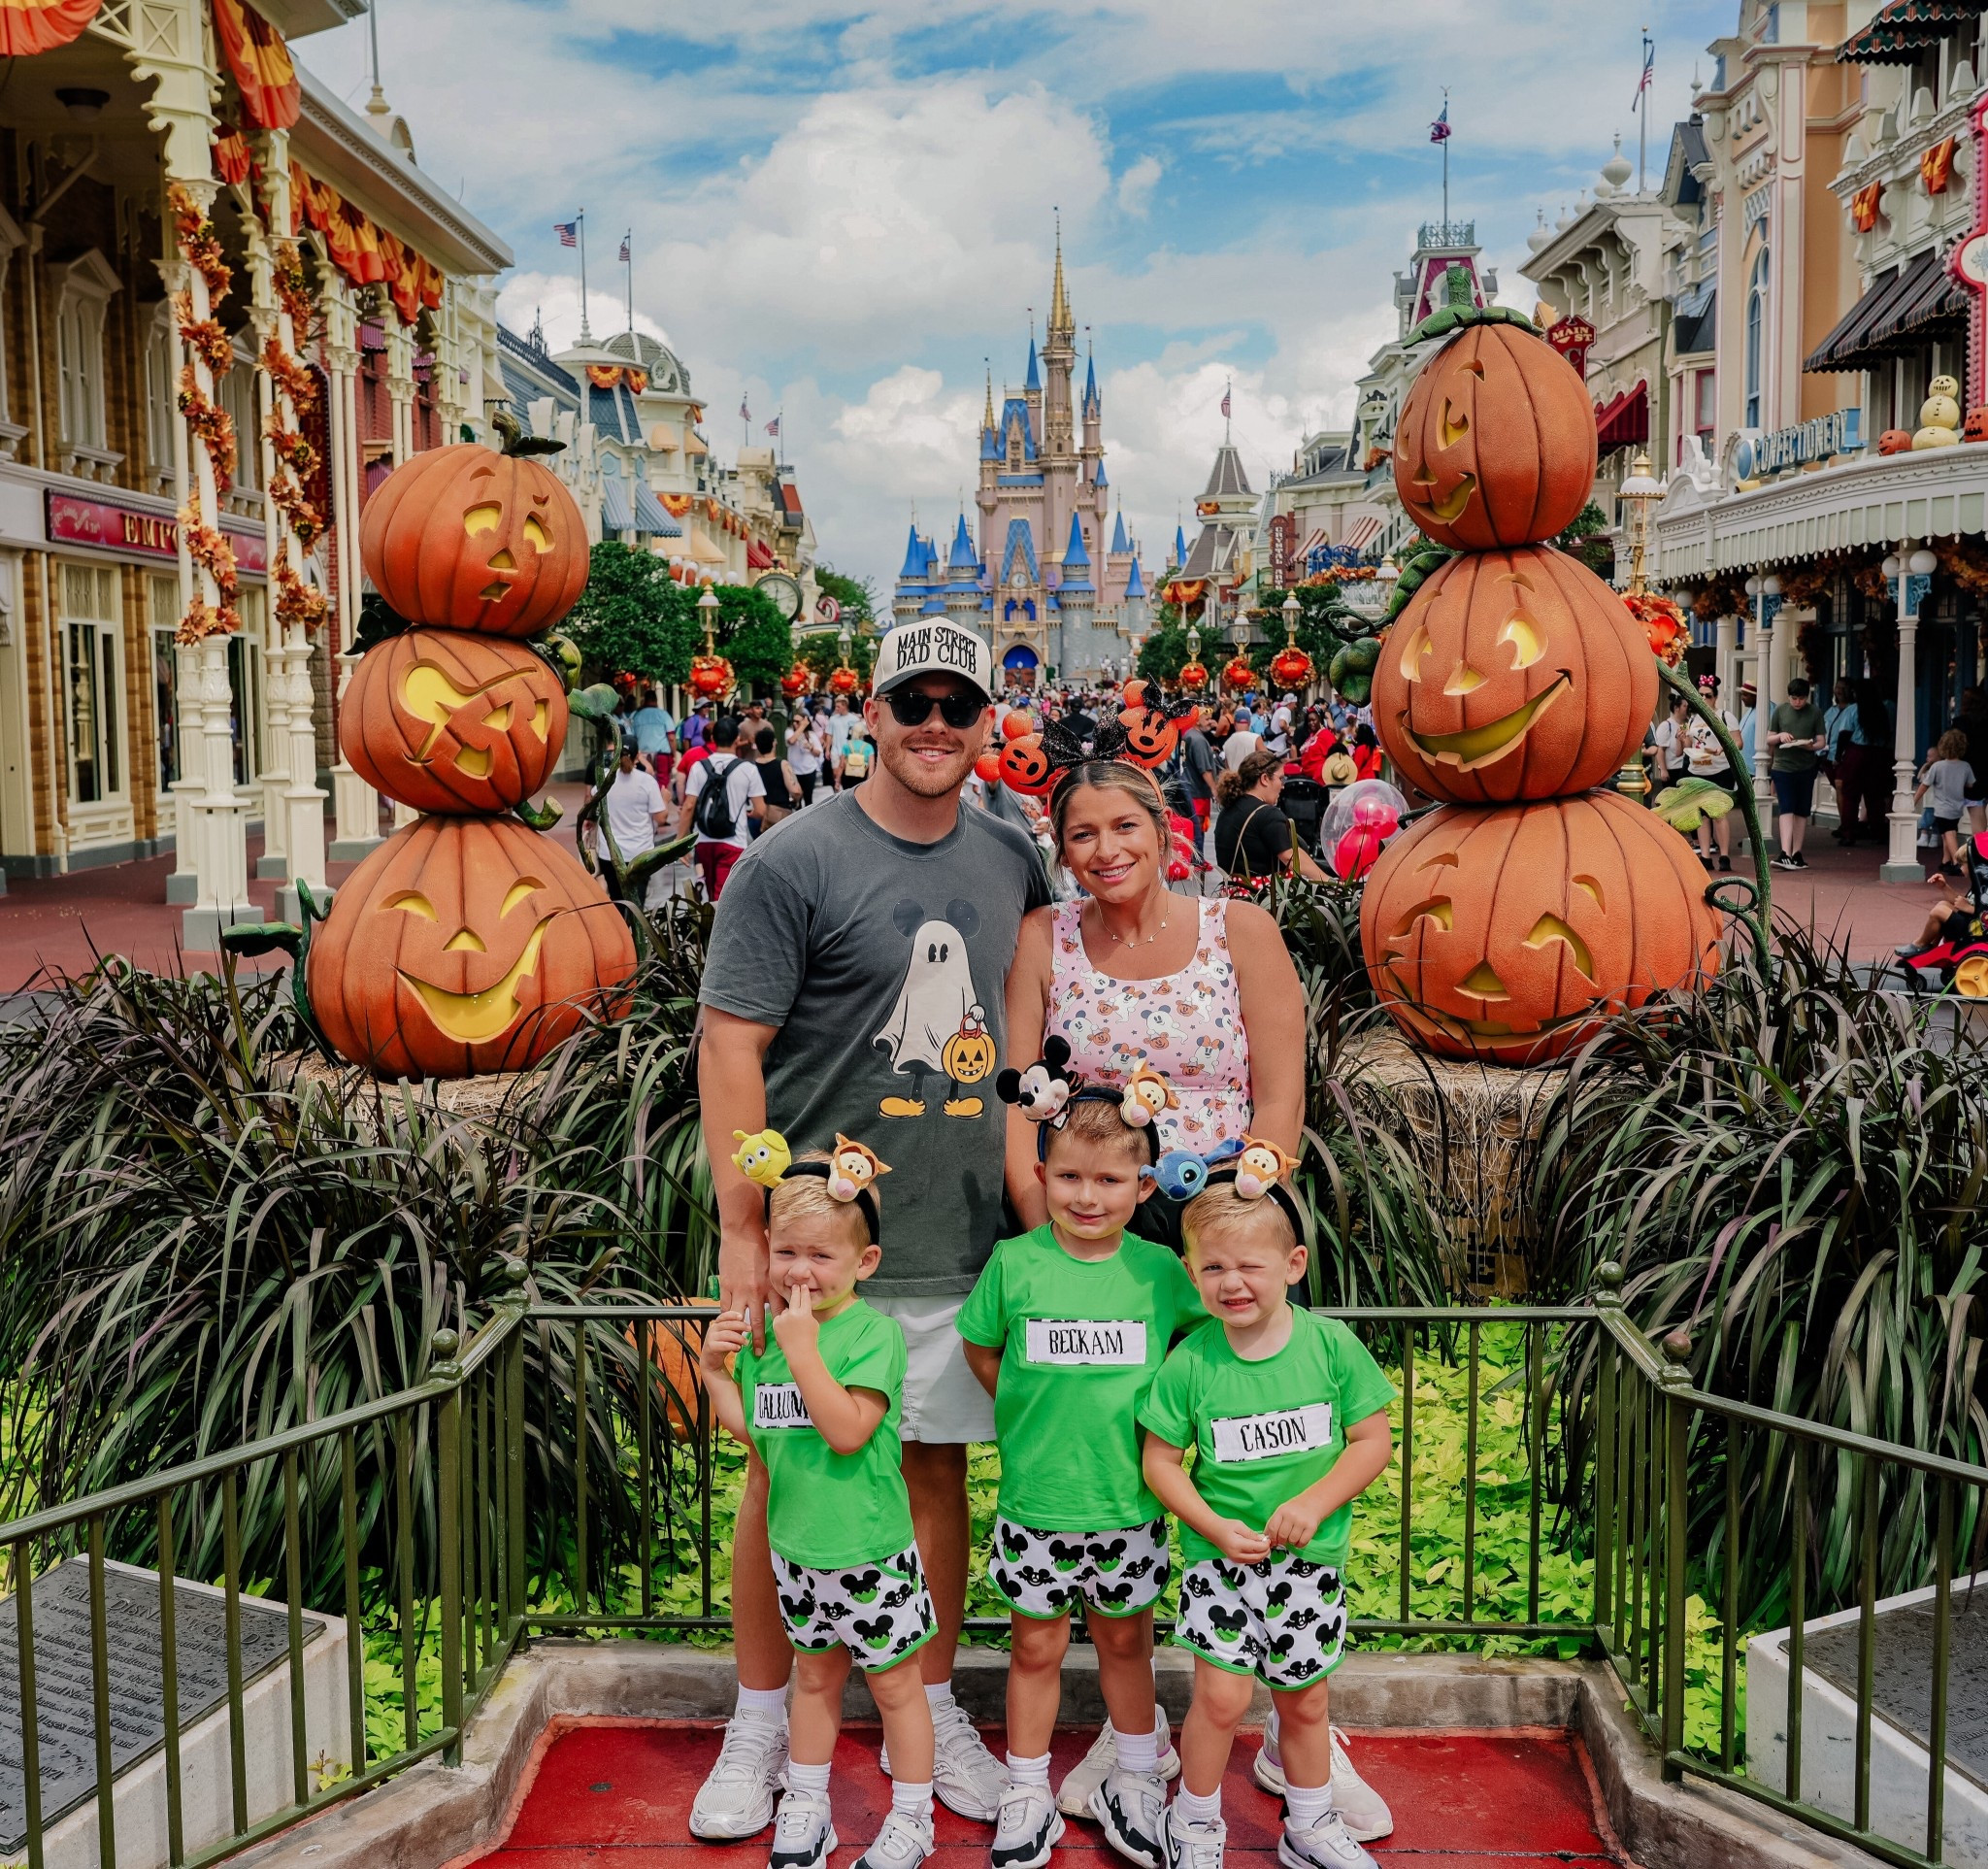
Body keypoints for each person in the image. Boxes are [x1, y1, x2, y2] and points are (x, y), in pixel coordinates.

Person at [692, 617, 1048, 1839]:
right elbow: (730, 1044)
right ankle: (757, 1716)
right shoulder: (792, 859)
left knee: (933, 1465)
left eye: (958, 702)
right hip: (816, 1246)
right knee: (776, 1473)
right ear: (872, 714)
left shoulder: (1010, 857)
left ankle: (933, 1699)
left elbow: (1018, 1038)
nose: (935, 722)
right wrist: (744, 1232)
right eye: (913, 701)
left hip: (954, 1227)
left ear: (986, 717)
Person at [959, 1092, 1203, 1864]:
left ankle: (1135, 1777)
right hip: (1037, 1501)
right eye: (1068, 1177)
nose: (1087, 1197)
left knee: (1126, 1643)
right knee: (1034, 1648)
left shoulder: (1161, 1273)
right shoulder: (1015, 1261)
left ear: (1145, 1186)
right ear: (1041, 1174)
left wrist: (1170, 1418)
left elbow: (1203, 1350)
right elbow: (981, 1346)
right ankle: (1027, 1788)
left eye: (1107, 1180)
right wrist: (1024, 1405)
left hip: (1128, 1503)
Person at [1140, 1177, 1397, 1869]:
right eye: (1213, 1267)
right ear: (1191, 1273)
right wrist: (1211, 1524)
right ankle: (1192, 1822)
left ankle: (1308, 1825)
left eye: (1249, 1265)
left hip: (1309, 1565)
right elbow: (1161, 1462)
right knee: (1219, 1700)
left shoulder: (1331, 1346)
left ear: (1293, 1265)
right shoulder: (1191, 1362)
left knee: (1305, 1702)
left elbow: (1372, 1439)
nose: (1232, 1282)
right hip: (1222, 1562)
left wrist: (1314, 1502)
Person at [698, 1151, 940, 1869]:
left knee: (897, 1686)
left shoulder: (871, 1335)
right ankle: (806, 1803)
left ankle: (913, 1816)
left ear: (864, 1261)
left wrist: (803, 1353)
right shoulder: (766, 1344)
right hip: (798, 1553)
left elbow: (845, 1429)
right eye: (787, 1251)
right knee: (812, 1678)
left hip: (869, 1551)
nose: (801, 1270)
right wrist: (716, 1372)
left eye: (822, 1255)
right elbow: (764, 1436)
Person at [679, 714, 767, 901]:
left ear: (712, 738)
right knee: (724, 898)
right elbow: (761, 810)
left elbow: (688, 806)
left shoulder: (698, 767)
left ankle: (710, 926)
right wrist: (747, 813)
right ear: (737, 739)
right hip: (733, 841)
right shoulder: (748, 769)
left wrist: (680, 842)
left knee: (712, 894)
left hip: (703, 840)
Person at [1213, 750, 1331, 887]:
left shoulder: (1229, 809)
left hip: (1232, 894)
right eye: (1280, 778)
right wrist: (1329, 882)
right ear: (1264, 779)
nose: (1283, 786)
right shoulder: (1266, 814)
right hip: (1260, 900)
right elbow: (1290, 857)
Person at [594, 743, 668, 905]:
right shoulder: (647, 782)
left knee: (617, 900)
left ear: (614, 755)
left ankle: (619, 930)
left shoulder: (603, 780)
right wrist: (666, 800)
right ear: (636, 757)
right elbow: (661, 818)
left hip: (610, 854)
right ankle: (635, 930)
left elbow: (593, 808)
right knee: (637, 904)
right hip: (640, 854)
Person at [1767, 676, 1827, 871]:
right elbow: (1769, 739)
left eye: (1801, 698)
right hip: (1783, 766)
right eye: (1794, 698)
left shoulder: (1815, 712)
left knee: (1801, 810)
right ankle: (1785, 851)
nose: (1797, 702)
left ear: (1806, 697)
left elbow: (1821, 741)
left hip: (1806, 766)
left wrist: (1811, 746)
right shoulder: (1780, 711)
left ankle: (1797, 852)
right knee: (1787, 807)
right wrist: (1780, 736)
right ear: (1789, 697)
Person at [1684, 676, 1740, 873]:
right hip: (1697, 769)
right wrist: (1683, 740)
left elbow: (1738, 742)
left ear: (1715, 697)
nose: (1703, 698)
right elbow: (1689, 746)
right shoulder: (1693, 718)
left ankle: (1724, 856)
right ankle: (1705, 856)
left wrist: (1723, 749)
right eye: (1699, 695)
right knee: (1701, 815)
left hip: (1719, 769)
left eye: (1707, 695)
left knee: (1719, 814)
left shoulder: (1725, 716)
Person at [1915, 728, 1977, 875]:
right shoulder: (1965, 766)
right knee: (1947, 833)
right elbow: (1970, 784)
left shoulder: (1938, 766)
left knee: (1949, 834)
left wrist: (1914, 800)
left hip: (1942, 807)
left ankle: (1958, 862)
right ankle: (1945, 861)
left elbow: (1924, 786)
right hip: (1957, 806)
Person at [753, 724, 802, 829]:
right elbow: (795, 791)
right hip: (778, 817)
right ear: (774, 743)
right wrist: (796, 801)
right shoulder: (782, 764)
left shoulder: (752, 767)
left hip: (757, 816)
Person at [629, 685, 677, 785]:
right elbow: (671, 737)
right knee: (662, 783)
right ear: (656, 700)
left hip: (643, 755)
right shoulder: (663, 715)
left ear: (645, 700)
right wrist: (674, 754)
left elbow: (633, 737)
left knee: (644, 782)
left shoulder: (638, 716)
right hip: (662, 755)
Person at [1651, 690, 1692, 799]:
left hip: (1683, 767)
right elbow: (1660, 750)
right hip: (1671, 769)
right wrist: (1663, 770)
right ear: (1676, 708)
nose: (1687, 708)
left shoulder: (1685, 725)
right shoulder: (1666, 725)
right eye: (1685, 706)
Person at [788, 707, 826, 806]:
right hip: (795, 771)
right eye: (793, 721)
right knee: (797, 799)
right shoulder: (789, 732)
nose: (794, 723)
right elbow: (791, 741)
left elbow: (818, 753)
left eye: (797, 721)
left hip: (809, 770)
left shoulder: (811, 735)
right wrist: (802, 726)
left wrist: (810, 748)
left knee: (808, 799)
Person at [1222, 709, 1261, 773]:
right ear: (1249, 723)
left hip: (1235, 780)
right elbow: (1266, 760)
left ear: (1234, 723)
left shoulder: (1227, 742)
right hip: (1251, 779)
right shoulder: (1256, 738)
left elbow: (1227, 767)